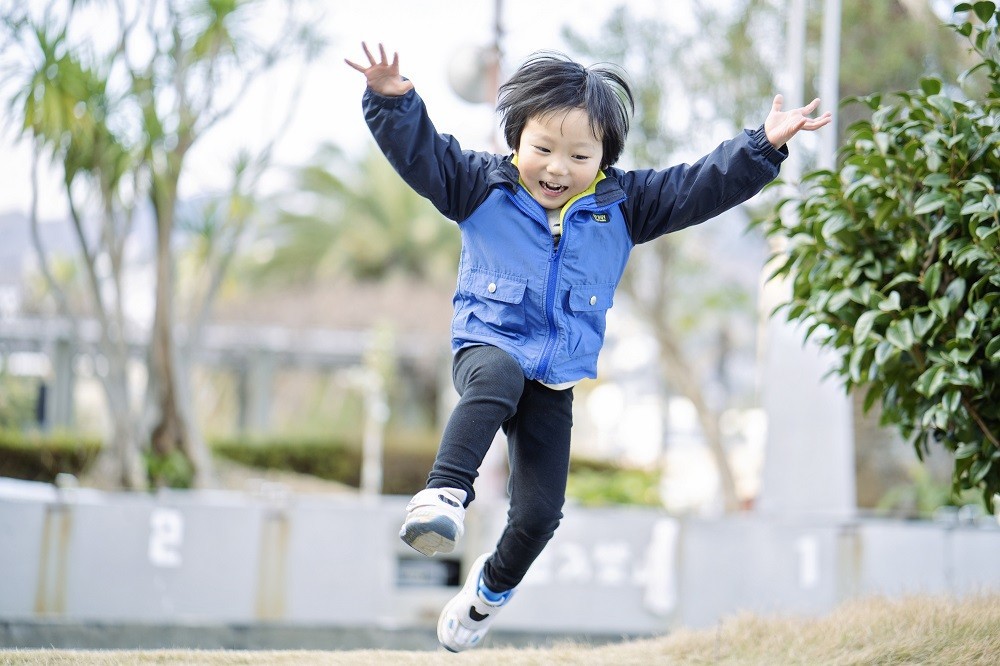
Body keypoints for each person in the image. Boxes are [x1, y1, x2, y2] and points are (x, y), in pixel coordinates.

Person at [346, 42, 830, 652]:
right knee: (494, 379)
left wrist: (763, 144)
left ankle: (486, 595)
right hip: (488, 344)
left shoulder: (623, 207)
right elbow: (422, 156)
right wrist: (394, 103)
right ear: (516, 140)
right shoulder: (478, 185)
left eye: (578, 155)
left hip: (555, 377)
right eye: (542, 149)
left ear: (604, 158)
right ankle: (443, 494)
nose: (556, 168)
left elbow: (698, 185)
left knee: (541, 515)